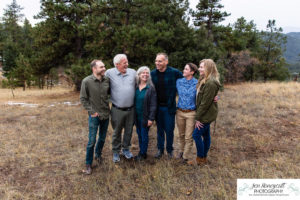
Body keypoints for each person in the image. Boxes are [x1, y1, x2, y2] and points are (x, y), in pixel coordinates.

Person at [188, 59, 221, 165]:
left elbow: (205, 103)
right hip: (205, 112)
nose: (199, 69)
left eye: (202, 67)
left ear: (208, 68)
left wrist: (198, 118)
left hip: (206, 114)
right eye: (200, 66)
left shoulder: (210, 83)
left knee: (196, 135)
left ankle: (200, 158)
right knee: (206, 136)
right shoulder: (204, 79)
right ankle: (203, 158)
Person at [80, 59, 110, 174]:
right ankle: (88, 164)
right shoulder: (86, 81)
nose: (104, 69)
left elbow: (110, 93)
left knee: (102, 138)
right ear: (94, 69)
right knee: (92, 141)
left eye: (104, 66)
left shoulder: (107, 80)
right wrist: (91, 111)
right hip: (94, 116)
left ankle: (98, 155)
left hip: (106, 114)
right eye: (101, 67)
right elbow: (83, 98)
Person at [151, 53, 183, 158]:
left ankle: (169, 150)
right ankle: (160, 150)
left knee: (169, 130)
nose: (157, 63)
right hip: (157, 107)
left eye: (160, 61)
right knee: (160, 129)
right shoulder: (152, 74)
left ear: (166, 62)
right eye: (156, 61)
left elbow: (188, 80)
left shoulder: (174, 73)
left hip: (169, 107)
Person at [105, 54, 136, 163]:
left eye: (127, 62)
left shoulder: (133, 72)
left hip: (131, 109)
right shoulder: (109, 73)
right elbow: (100, 80)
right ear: (117, 65)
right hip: (117, 109)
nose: (127, 65)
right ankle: (116, 151)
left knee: (129, 131)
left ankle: (126, 149)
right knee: (117, 131)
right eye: (124, 63)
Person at [176, 63, 198, 162]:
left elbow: (206, 93)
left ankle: (185, 157)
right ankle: (181, 151)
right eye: (184, 68)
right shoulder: (179, 82)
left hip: (191, 113)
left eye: (186, 69)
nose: (183, 70)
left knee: (189, 136)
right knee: (181, 134)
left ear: (192, 72)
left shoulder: (197, 83)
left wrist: (216, 97)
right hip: (179, 112)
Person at [134, 66, 157, 161]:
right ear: (138, 75)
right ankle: (141, 151)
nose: (145, 74)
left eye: (147, 73)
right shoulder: (135, 87)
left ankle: (143, 153)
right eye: (143, 73)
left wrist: (151, 119)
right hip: (136, 116)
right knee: (139, 134)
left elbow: (153, 105)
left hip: (145, 117)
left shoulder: (150, 88)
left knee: (144, 135)